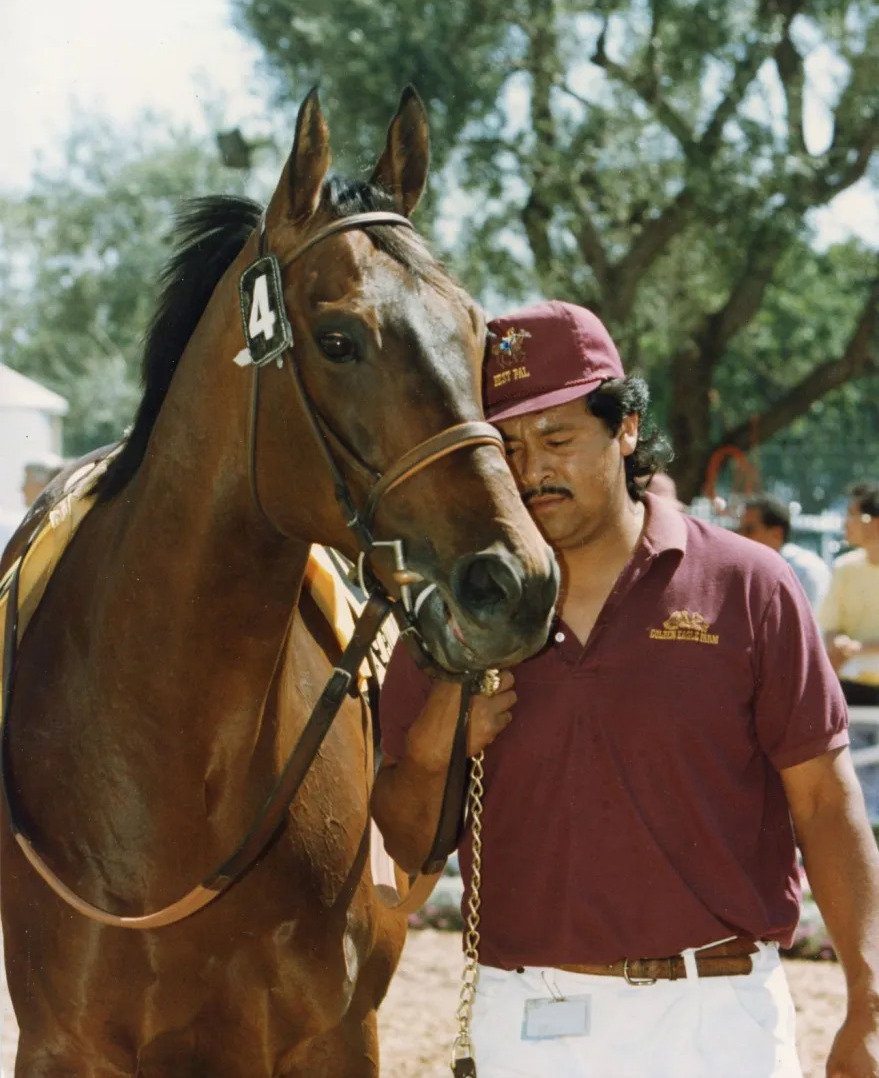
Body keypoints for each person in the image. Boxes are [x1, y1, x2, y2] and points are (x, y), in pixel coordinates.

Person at [372, 300, 879, 1078]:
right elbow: (402, 854)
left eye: (557, 438)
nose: (530, 468)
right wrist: (442, 728)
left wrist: (868, 1003)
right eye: (505, 445)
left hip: (718, 1018)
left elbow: (823, 800)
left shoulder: (748, 586)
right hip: (523, 1019)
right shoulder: (448, 615)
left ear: (626, 429)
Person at [819, 481, 879, 708]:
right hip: (850, 688)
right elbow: (830, 626)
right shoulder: (844, 567)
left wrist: (857, 648)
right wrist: (838, 642)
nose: (846, 523)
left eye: (852, 515)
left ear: (874, 522)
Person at [738, 493, 831, 610]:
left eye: (749, 530)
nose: (740, 537)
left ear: (777, 533)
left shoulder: (805, 570)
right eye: (739, 530)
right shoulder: (744, 570)